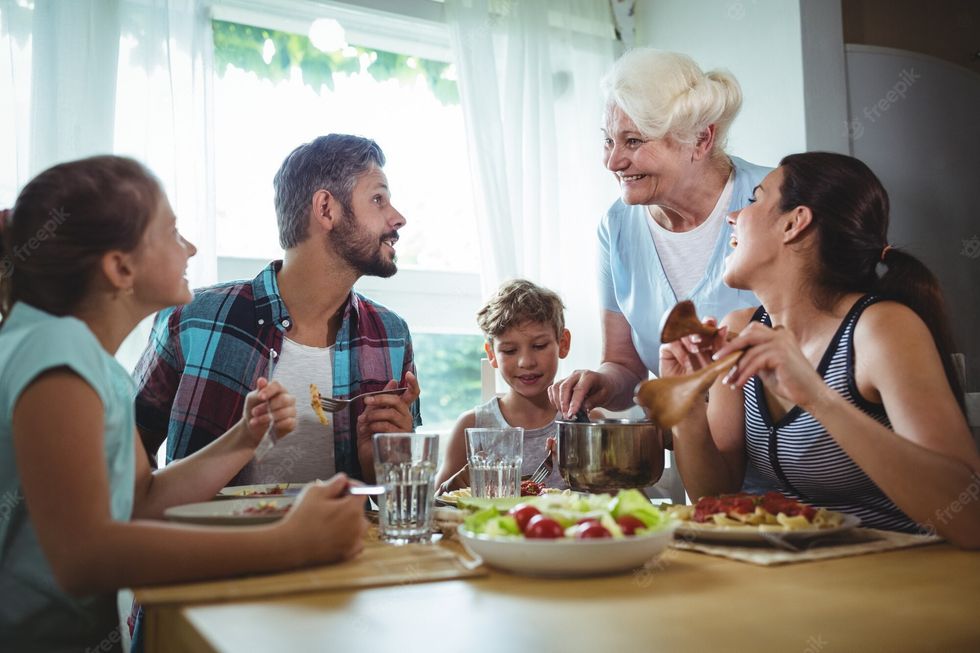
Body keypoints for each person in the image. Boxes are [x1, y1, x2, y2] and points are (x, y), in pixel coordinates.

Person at [0, 156, 369, 651]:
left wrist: (243, 437)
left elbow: (143, 501)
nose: (190, 247)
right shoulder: (58, 355)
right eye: (172, 233)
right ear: (120, 267)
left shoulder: (85, 359)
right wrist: (287, 543)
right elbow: (82, 554)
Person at [661, 152, 980, 546]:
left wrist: (817, 397)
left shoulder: (881, 329)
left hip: (899, 573)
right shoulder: (741, 329)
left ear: (794, 223)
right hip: (791, 574)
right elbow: (715, 498)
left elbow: (971, 517)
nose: (732, 217)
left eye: (755, 199)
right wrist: (688, 410)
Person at [135, 134, 421, 486]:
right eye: (378, 199)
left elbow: (396, 493)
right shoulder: (193, 319)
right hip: (214, 542)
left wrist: (384, 461)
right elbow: (126, 457)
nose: (398, 218)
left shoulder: (392, 336)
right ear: (326, 209)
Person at [548, 48, 772, 492]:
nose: (613, 161)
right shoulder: (616, 226)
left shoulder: (770, 204)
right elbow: (624, 363)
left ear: (701, 140)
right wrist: (601, 383)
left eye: (634, 141)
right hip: (707, 478)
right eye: (608, 141)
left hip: (805, 472)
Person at [436, 279, 571, 490]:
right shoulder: (472, 426)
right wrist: (453, 486)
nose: (526, 361)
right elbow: (434, 506)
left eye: (539, 345)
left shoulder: (586, 424)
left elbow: (621, 504)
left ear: (562, 344)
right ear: (492, 354)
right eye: (509, 350)